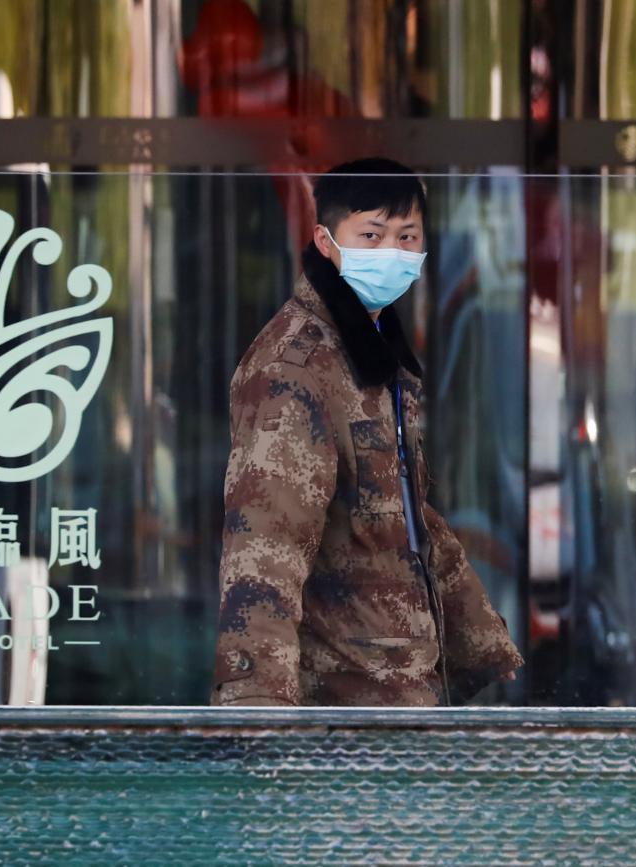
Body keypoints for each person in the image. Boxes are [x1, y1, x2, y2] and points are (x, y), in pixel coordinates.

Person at [210, 157, 523, 707]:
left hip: (398, 700)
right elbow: (266, 546)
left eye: (408, 237)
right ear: (326, 242)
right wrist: (258, 715)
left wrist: (478, 640)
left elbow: (402, 517)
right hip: (340, 716)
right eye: (372, 235)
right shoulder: (296, 368)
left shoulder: (374, 356)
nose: (392, 254)